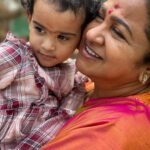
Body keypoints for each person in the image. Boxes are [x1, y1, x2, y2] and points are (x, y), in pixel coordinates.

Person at [41, 0, 150, 149]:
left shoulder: (102, 136)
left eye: (118, 32)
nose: (91, 34)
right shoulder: (93, 86)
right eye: (99, 16)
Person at [0, 0, 96, 149]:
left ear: (81, 38)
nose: (47, 46)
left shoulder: (75, 81)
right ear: (29, 17)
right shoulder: (16, 57)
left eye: (62, 37)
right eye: (39, 29)